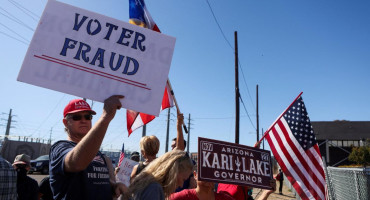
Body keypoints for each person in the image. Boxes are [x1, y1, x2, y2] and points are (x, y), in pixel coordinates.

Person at [49, 96, 127, 199]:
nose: (83, 120)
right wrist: (106, 117)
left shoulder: (96, 152)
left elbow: (96, 180)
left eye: (88, 117)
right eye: (77, 117)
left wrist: (114, 186)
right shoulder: (59, 148)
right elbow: (76, 163)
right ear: (65, 122)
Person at [126, 150, 194, 200]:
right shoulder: (154, 189)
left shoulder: (148, 183)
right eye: (183, 179)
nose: (181, 185)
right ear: (174, 172)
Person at [170, 171, 234, 200]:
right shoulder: (181, 197)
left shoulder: (225, 198)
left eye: (213, 173)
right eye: (204, 171)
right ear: (195, 175)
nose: (208, 176)